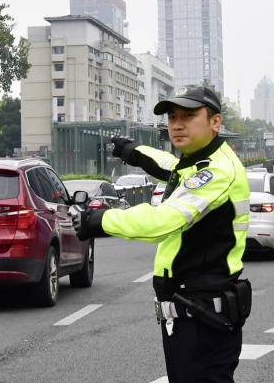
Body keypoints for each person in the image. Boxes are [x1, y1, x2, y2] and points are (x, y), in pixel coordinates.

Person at [72, 85, 251, 383]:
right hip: (194, 312)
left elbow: (162, 223)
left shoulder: (217, 172)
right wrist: (134, 152)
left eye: (189, 115)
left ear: (215, 122)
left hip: (203, 315)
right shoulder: (198, 162)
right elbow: (171, 166)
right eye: (172, 116)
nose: (177, 124)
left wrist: (100, 219)